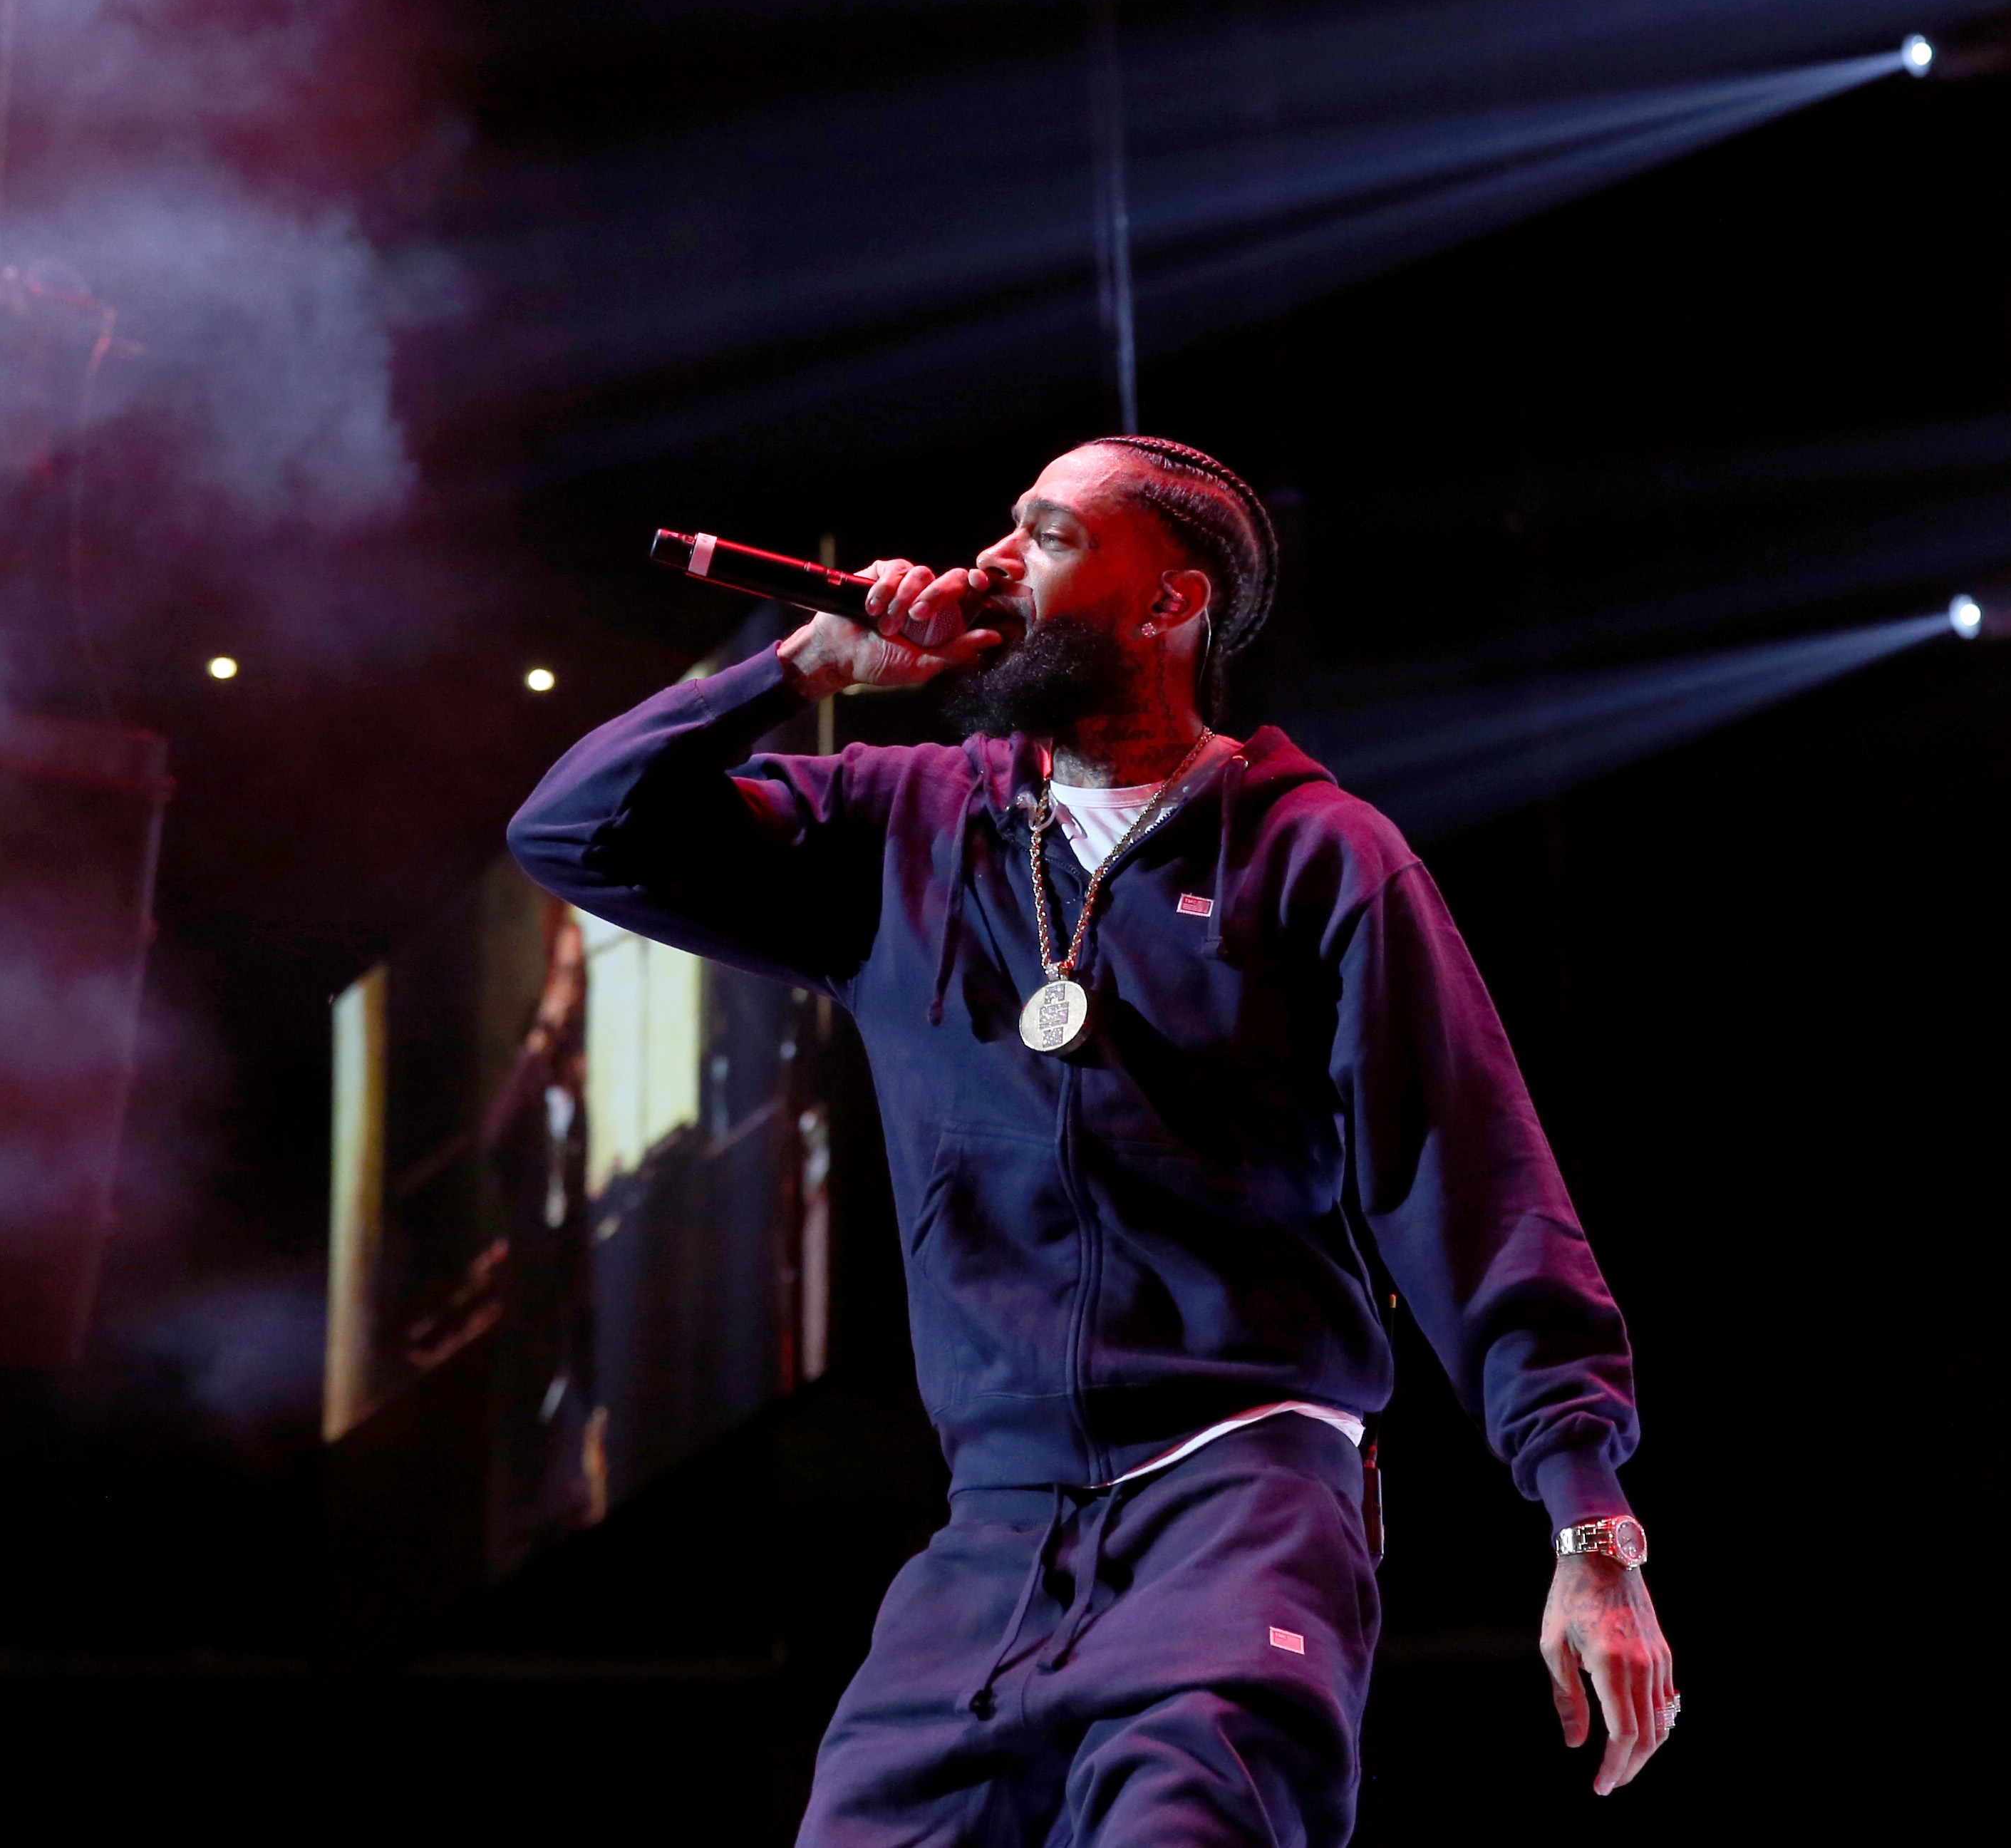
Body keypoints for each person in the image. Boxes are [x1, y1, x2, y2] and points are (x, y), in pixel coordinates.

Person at [507, 436, 1673, 1845]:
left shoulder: (1317, 855)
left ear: (1164, 602)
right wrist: (795, 673)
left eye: (1047, 535)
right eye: (1003, 527)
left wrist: (1586, 1523)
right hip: (989, 1530)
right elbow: (573, 831)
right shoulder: (904, 825)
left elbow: (1474, 1190)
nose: (992, 560)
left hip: (1239, 1499)